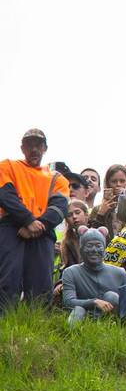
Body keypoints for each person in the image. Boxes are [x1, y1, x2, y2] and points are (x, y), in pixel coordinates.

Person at [0, 129, 71, 311]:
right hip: (10, 227)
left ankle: (37, 325)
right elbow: (5, 195)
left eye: (38, 145)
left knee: (41, 284)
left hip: (42, 231)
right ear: (22, 148)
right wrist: (27, 220)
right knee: (8, 278)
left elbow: (59, 207)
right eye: (29, 145)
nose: (34, 149)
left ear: (45, 148)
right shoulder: (7, 166)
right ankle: (6, 323)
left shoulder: (57, 178)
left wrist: (37, 225)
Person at [60, 228, 126, 324]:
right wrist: (93, 302)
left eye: (98, 245)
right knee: (78, 310)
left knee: (112, 297)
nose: (94, 250)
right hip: (83, 317)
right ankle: (72, 335)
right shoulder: (70, 272)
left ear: (104, 248)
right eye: (89, 246)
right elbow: (68, 302)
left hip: (110, 322)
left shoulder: (120, 273)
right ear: (81, 249)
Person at [88, 164, 126, 234]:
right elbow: (92, 234)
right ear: (107, 183)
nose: (118, 184)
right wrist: (101, 214)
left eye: (122, 181)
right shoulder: (97, 209)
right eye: (114, 181)